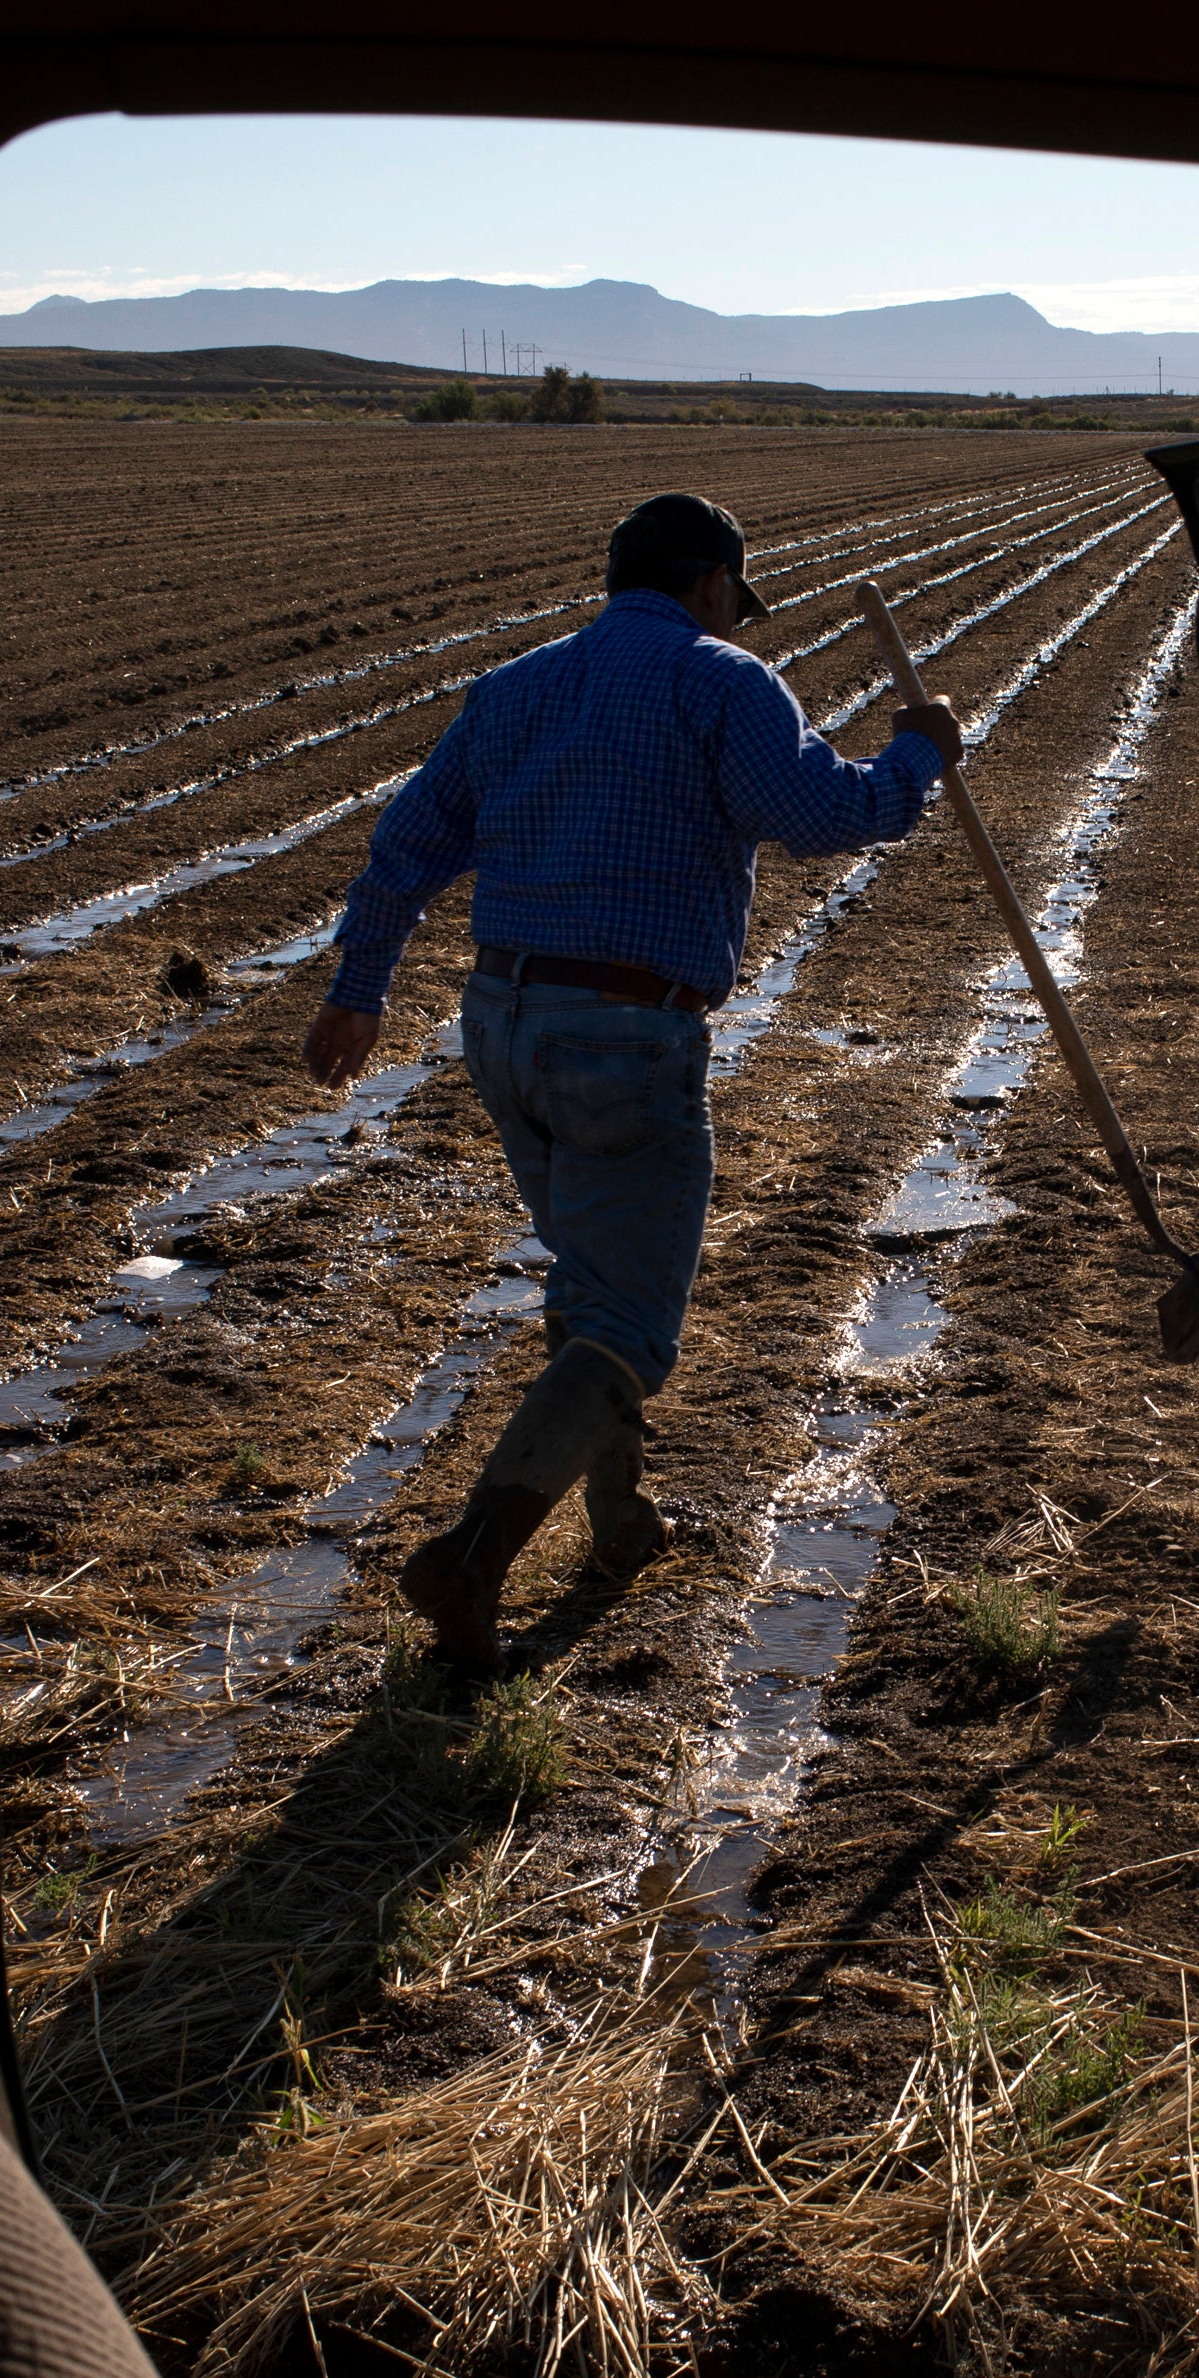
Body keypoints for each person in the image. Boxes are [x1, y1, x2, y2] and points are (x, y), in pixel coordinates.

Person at [302, 491, 963, 1676]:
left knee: (594, 1279)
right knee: (628, 1323)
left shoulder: (514, 689)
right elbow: (824, 815)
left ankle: (618, 1523)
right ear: (712, 583)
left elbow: (404, 846)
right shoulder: (720, 681)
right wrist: (921, 753)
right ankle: (474, 1552)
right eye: (735, 600)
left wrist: (360, 989)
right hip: (623, 1032)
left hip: (502, 1022)